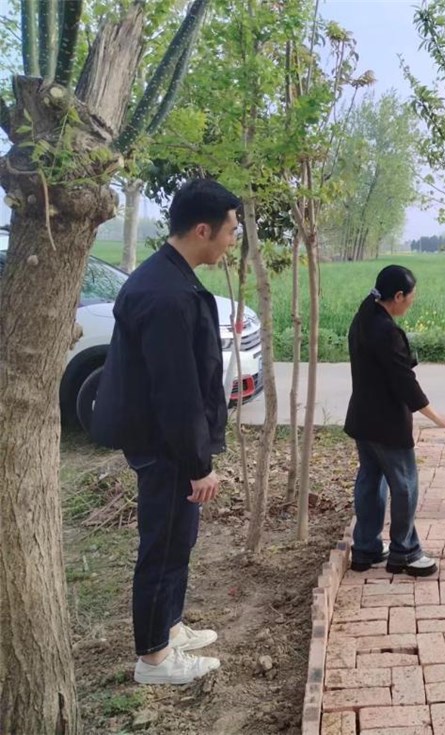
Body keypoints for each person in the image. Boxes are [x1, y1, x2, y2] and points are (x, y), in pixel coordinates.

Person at [90, 179, 241, 685]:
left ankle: (169, 627)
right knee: (164, 544)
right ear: (203, 230)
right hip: (165, 446)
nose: (232, 241)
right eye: (231, 231)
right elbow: (176, 393)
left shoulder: (168, 277)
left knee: (179, 539)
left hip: (167, 441)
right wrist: (199, 464)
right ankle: (153, 659)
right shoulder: (167, 294)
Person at [344, 265, 445, 577]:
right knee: (405, 485)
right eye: (411, 296)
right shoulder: (387, 332)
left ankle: (366, 549)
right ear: (398, 296)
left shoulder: (364, 315)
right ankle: (405, 552)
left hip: (363, 419)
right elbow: (405, 382)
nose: (412, 301)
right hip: (387, 424)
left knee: (370, 481)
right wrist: (437, 417)